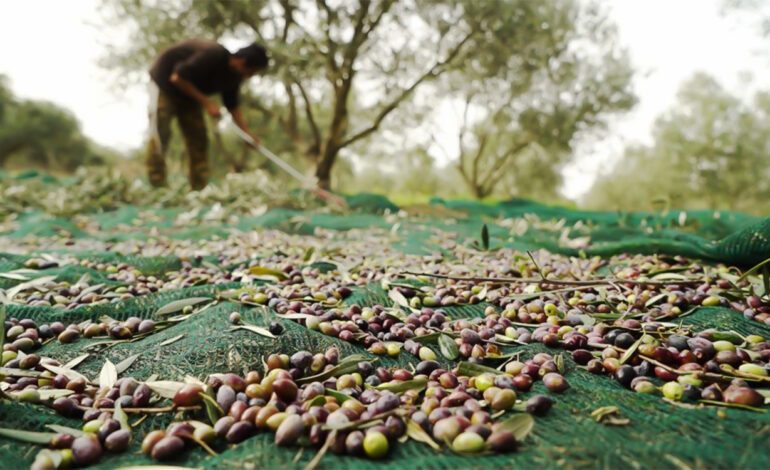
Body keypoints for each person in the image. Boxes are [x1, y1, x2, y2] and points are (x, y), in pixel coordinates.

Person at [146, 40, 268, 190]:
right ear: (242, 62)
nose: (249, 76)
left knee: (198, 138)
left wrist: (247, 134)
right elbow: (177, 77)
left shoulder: (233, 78)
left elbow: (233, 107)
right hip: (164, 84)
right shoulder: (213, 55)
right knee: (161, 132)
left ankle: (199, 188)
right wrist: (207, 103)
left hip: (189, 94)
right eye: (252, 72)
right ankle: (157, 184)